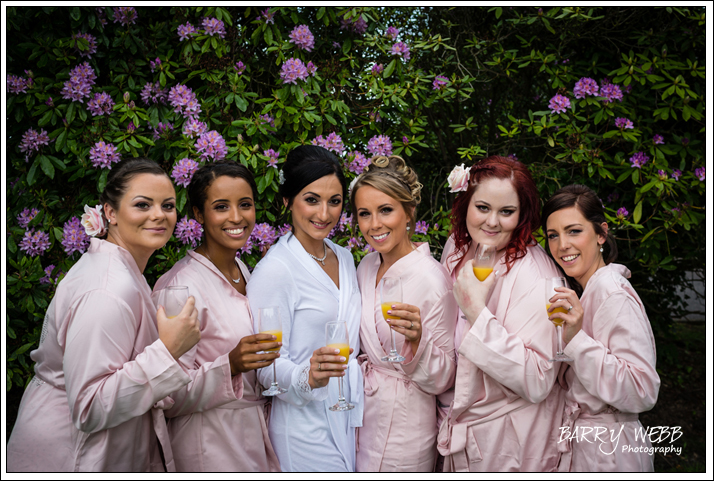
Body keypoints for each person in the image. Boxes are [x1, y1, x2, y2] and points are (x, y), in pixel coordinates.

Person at [7, 157, 200, 472]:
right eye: (142, 204)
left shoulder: (122, 270)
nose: (158, 215)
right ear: (110, 212)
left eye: (168, 205)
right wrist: (167, 351)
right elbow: (89, 407)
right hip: (70, 457)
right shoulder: (107, 290)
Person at [436, 155, 565, 472]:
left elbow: (538, 379)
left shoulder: (537, 275)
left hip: (511, 439)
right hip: (455, 425)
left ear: (522, 216)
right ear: (465, 203)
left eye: (506, 212)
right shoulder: (455, 247)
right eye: (482, 208)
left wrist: (478, 315)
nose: (492, 222)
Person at [153, 162, 281, 472]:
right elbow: (165, 396)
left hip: (253, 436)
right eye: (221, 207)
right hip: (209, 444)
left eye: (245, 205)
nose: (236, 217)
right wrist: (231, 364)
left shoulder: (245, 272)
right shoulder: (179, 289)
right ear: (198, 213)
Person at [246, 145, 363, 472]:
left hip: (347, 418)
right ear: (288, 201)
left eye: (335, 201)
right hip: (302, 425)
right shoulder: (276, 270)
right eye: (312, 199)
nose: (324, 213)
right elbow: (265, 366)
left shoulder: (345, 257)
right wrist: (307, 377)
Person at [541, 184, 660, 472]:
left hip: (611, 452)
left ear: (601, 234)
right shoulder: (587, 291)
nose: (562, 245)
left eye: (574, 231)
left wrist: (576, 340)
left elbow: (642, 389)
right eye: (553, 236)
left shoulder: (612, 291)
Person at [351, 155, 457, 471]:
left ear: (409, 211)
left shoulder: (432, 279)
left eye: (386, 210)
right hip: (361, 416)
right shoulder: (365, 267)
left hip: (407, 427)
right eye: (364, 214)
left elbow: (446, 376)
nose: (374, 225)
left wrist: (419, 342)